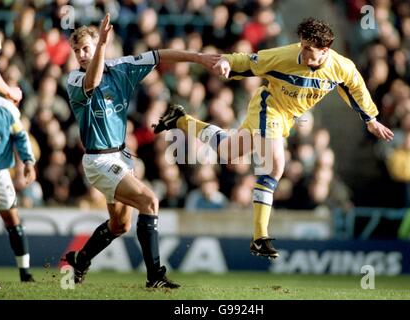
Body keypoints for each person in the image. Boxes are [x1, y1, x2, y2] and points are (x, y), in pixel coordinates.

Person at [153, 17, 394, 259]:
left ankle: (180, 120)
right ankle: (259, 236)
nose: (302, 50)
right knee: (276, 164)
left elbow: (355, 88)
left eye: (308, 48)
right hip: (268, 108)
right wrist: (227, 60)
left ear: (324, 50)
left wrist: (370, 119)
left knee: (228, 151)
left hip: (287, 118)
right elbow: (249, 61)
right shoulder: (285, 56)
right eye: (301, 44)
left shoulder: (342, 67)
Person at [65, 14, 220, 288]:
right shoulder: (75, 79)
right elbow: (93, 81)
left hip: (121, 156)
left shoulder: (122, 67)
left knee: (120, 226)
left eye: (86, 48)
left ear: (103, 43)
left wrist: (198, 58)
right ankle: (155, 277)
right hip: (98, 160)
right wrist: (100, 45)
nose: (81, 55)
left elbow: (159, 55)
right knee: (150, 201)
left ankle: (80, 259)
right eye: (77, 51)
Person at [0, 32, 36, 282]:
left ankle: (25, 272)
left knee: (12, 217)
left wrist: (29, 161)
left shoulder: (6, 109)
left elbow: (20, 137)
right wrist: (11, 90)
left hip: (0, 170)